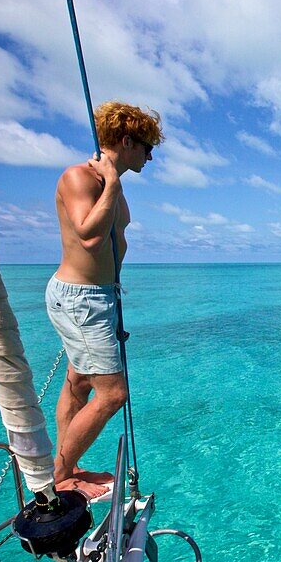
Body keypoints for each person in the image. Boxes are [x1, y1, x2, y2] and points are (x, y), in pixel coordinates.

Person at [45, 101, 162, 500]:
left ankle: (68, 464)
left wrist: (113, 289)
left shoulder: (115, 184)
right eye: (147, 148)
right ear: (126, 141)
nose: (150, 157)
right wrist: (111, 184)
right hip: (80, 300)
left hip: (99, 298)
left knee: (78, 384)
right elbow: (89, 236)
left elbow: (117, 239)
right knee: (112, 394)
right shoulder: (79, 177)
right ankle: (59, 477)